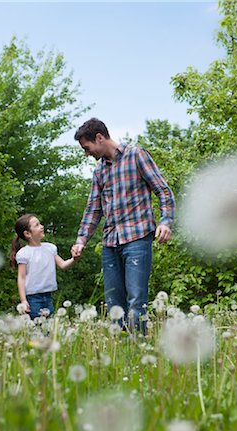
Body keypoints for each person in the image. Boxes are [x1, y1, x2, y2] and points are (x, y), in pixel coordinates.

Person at [71, 118, 175, 334]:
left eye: (87, 148)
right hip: (110, 243)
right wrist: (81, 240)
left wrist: (165, 221)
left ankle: (138, 350)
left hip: (137, 238)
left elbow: (163, 190)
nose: (86, 153)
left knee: (136, 300)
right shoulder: (99, 171)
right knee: (114, 304)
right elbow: (93, 210)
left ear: (99, 138)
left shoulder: (136, 155)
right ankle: (121, 353)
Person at [10, 214, 76, 320]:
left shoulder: (50, 248)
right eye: (37, 225)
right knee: (36, 329)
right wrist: (23, 300)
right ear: (27, 233)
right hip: (32, 298)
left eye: (40, 224)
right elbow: (21, 278)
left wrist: (74, 259)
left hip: (48, 296)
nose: (41, 226)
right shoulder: (23, 253)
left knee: (49, 329)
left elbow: (63, 265)